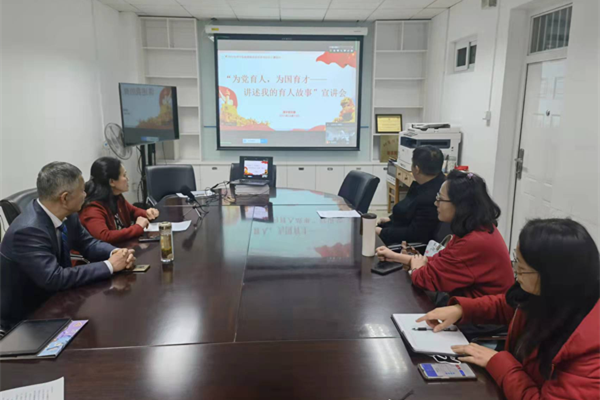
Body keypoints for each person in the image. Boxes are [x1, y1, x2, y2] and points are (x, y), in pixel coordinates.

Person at [417, 219, 600, 400]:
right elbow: (509, 306)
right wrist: (462, 310)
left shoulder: (591, 348)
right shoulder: (547, 295)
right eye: (516, 261)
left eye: (522, 268)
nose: (516, 272)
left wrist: (499, 363)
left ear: (553, 277)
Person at [0, 162, 136, 327]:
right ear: (64, 198)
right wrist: (109, 266)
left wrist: (116, 253)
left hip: (59, 300)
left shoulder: (67, 214)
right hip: (28, 319)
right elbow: (54, 278)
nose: (86, 194)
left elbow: (88, 244)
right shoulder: (28, 231)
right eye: (82, 190)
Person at [376, 170, 514, 300]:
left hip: (478, 314)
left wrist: (415, 266)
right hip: (465, 303)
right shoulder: (473, 228)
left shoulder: (474, 242)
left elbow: (426, 280)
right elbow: (440, 261)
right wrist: (395, 256)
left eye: (440, 199)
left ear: (460, 205)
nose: (436, 203)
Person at [79, 157, 159, 244]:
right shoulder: (92, 207)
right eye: (124, 175)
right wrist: (137, 227)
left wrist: (147, 213)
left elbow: (132, 211)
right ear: (112, 182)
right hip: (108, 251)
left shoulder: (116, 196)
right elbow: (104, 236)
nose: (127, 179)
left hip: (122, 247)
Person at [376, 145, 445, 245]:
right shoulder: (428, 183)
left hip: (404, 244)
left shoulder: (429, 198)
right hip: (397, 227)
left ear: (417, 169)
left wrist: (382, 232)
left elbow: (414, 234)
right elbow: (408, 211)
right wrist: (391, 219)